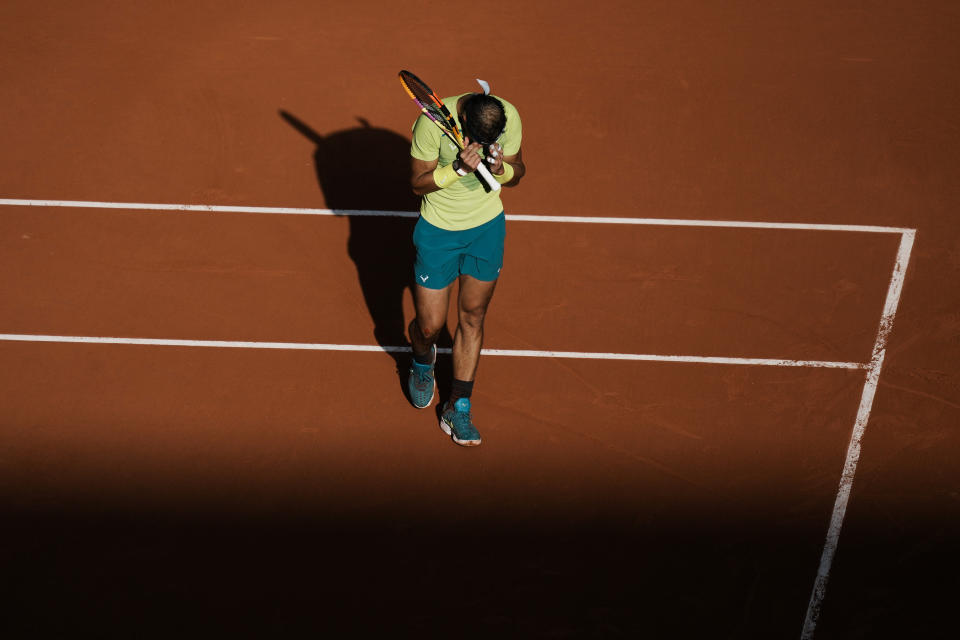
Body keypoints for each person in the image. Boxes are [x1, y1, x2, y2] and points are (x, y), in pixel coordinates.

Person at [406, 86, 525, 447]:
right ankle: (422, 361)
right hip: (438, 232)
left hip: (486, 230)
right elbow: (417, 184)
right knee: (429, 326)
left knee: (472, 316)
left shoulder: (508, 115)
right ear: (464, 126)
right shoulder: (429, 126)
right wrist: (456, 169)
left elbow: (518, 173)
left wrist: (501, 169)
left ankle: (458, 406)